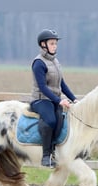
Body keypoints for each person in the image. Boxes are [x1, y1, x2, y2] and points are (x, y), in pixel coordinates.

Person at [30, 29, 78, 168]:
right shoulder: (38, 63)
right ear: (43, 45)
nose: (54, 46)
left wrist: (73, 99)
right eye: (52, 43)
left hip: (53, 100)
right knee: (50, 120)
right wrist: (59, 101)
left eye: (55, 44)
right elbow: (43, 87)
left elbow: (62, 83)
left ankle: (54, 152)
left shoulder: (55, 62)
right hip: (40, 99)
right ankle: (45, 156)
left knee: (61, 120)